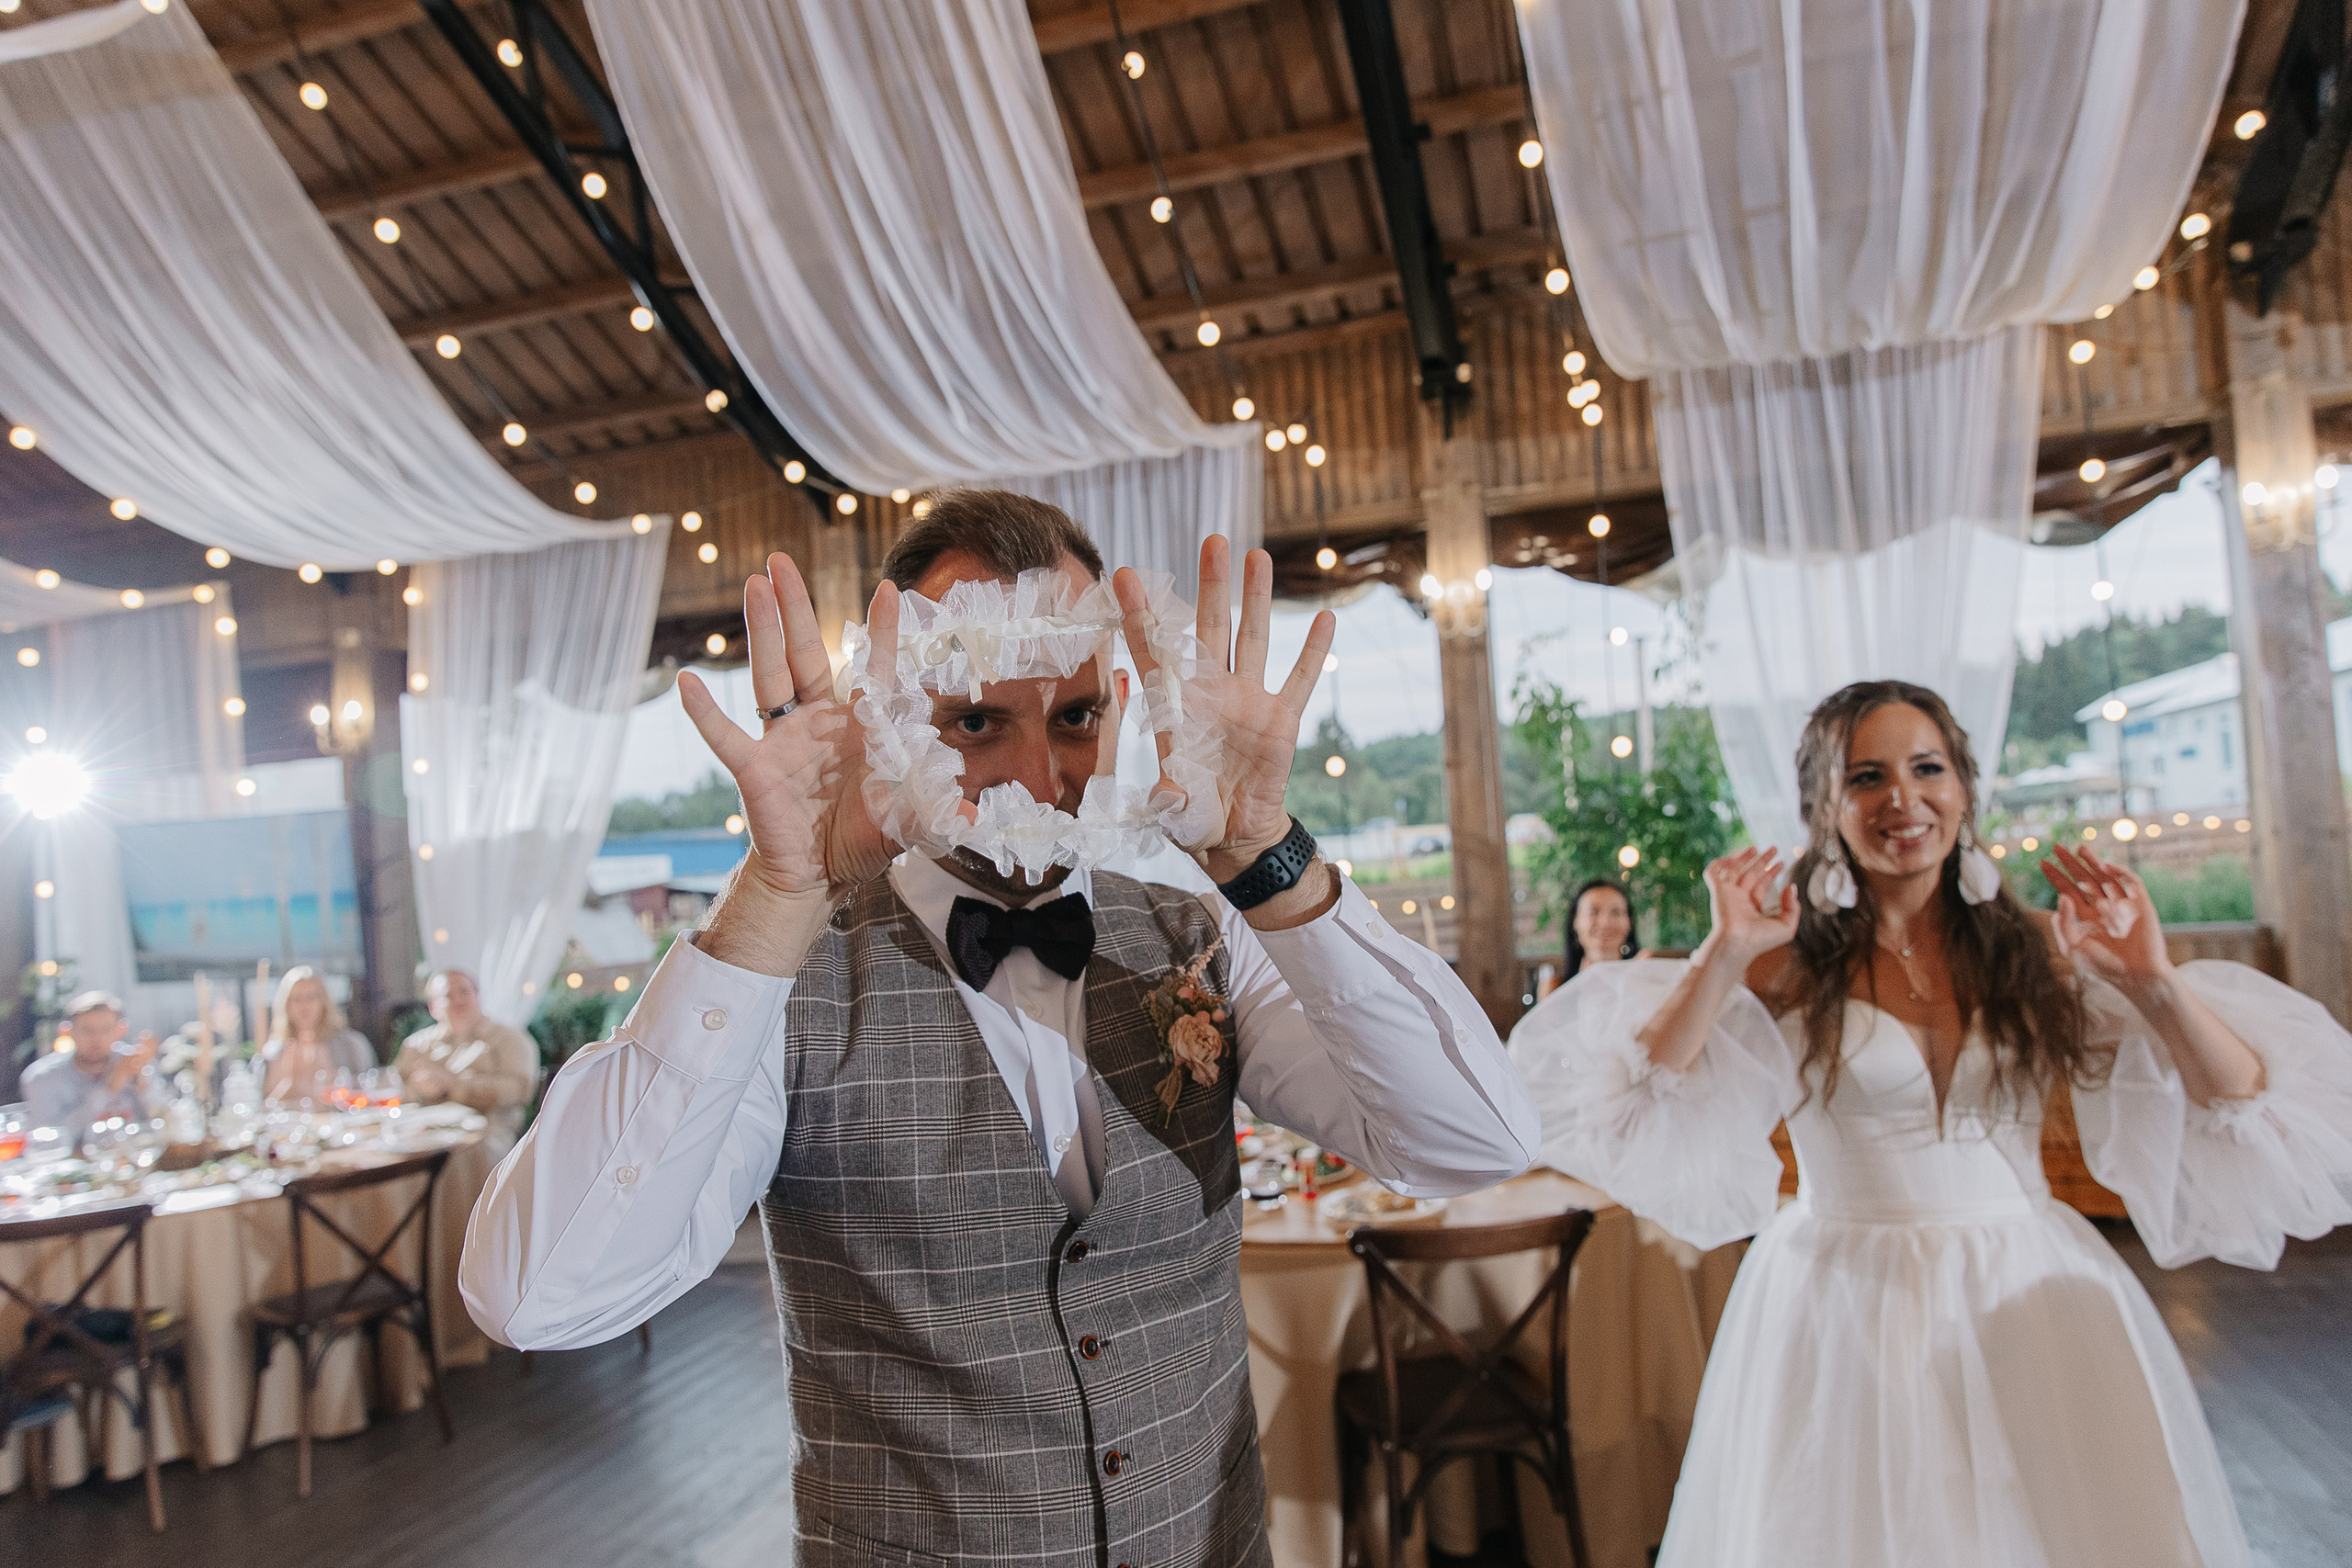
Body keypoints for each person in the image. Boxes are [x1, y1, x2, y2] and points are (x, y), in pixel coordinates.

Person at [460, 491, 1540, 1568]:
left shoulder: (1205, 933)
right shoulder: (781, 984)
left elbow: (1473, 1144)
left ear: (1120, 706)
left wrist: (1269, 852)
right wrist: (777, 895)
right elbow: (540, 1298)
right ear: (890, 716)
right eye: (975, 721)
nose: (1035, 777)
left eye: (1073, 717)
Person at [1510, 679, 2352, 1568]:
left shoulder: (2040, 948)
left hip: (2031, 1288)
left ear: (1963, 789)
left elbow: (2245, 1106)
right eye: (1866, 776)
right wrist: (1722, 955)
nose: (1902, 800)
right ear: (1822, 807)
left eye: (1927, 768)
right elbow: (1628, 1105)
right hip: (1839, 1297)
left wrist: (2153, 983)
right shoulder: (1782, 965)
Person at [397, 970, 537, 1156]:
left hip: (488, 1133)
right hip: (421, 1134)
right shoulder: (416, 1045)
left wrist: (454, 1085)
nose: (458, 1000)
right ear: (432, 1008)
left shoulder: (510, 1039)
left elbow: (519, 1090)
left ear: (477, 996)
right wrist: (419, 1089)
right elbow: (394, 1089)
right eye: (447, 996)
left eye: (464, 992)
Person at [19, 990, 164, 1145]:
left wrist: (143, 1084)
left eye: (106, 1029)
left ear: (121, 1030)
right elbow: (47, 1141)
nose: (97, 1038)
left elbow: (162, 1120)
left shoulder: (134, 1062)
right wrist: (109, 1088)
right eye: (87, 1030)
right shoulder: (41, 1079)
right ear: (66, 1031)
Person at [255, 966, 377, 1103]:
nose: (304, 1006)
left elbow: (369, 1094)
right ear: (286, 1005)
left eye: (311, 998)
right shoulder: (273, 1053)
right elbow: (263, 1111)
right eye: (297, 999)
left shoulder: (352, 1045)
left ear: (323, 1002)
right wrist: (291, 1080)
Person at [1537, 877, 1639, 998]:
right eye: (1593, 912)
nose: (1605, 922)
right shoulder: (1555, 988)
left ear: (1629, 923)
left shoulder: (1644, 981)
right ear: (1575, 922)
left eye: (1616, 912)